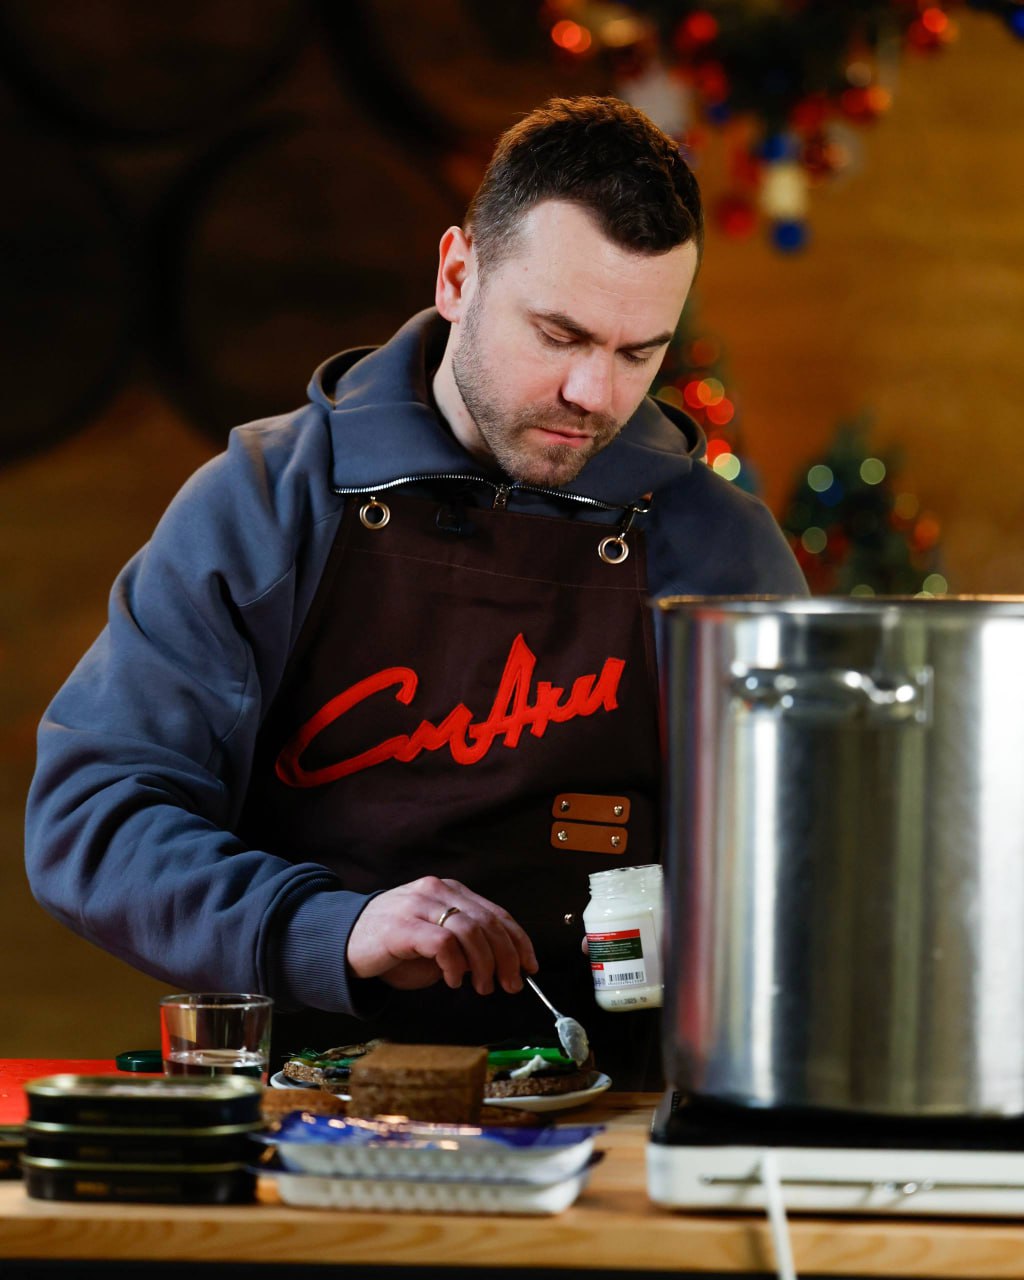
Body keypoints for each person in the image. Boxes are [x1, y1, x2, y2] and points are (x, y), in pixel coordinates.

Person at [25, 96, 806, 1090]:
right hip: (302, 1110)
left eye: (636, 352)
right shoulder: (266, 503)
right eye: (558, 334)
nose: (594, 395)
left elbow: (811, 857)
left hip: (625, 1116)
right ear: (457, 275)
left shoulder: (716, 547)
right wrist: (333, 927)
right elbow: (91, 819)